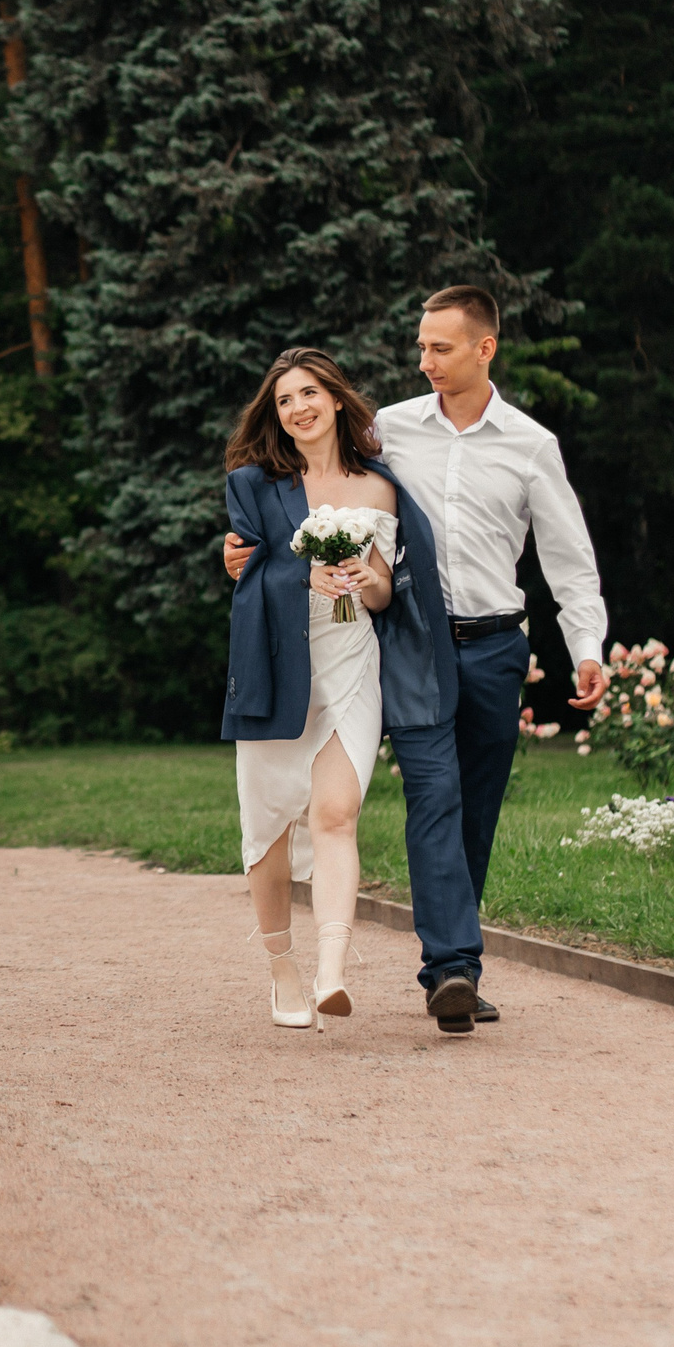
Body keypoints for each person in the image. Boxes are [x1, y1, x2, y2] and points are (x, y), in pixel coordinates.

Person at [225, 287, 607, 1032]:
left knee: (476, 805)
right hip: (412, 641)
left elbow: (569, 559)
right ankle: (453, 969)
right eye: (422, 346)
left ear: (484, 348)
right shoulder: (388, 430)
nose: (424, 359)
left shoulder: (531, 444)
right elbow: (303, 488)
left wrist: (585, 646)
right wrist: (247, 551)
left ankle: (453, 955)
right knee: (432, 789)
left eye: (440, 347)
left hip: (497, 643)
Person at [222, 349, 458, 1031]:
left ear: (334, 398)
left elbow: (385, 591)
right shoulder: (254, 485)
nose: (297, 408)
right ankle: (282, 969)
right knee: (266, 838)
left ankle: (331, 972)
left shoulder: (379, 488)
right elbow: (248, 575)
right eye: (284, 400)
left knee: (335, 812)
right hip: (276, 671)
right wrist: (303, 576)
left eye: (308, 393)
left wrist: (365, 576)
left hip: (352, 668)